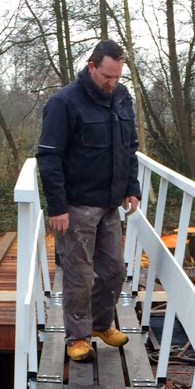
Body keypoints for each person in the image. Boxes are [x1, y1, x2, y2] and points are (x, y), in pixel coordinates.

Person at [36, 40, 141, 363]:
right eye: (107, 76)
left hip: (110, 202)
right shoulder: (64, 103)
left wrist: (131, 187)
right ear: (91, 66)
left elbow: (129, 148)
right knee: (79, 274)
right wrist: (57, 208)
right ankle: (78, 337)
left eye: (117, 77)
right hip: (77, 204)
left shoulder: (122, 99)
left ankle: (100, 325)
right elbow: (49, 158)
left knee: (113, 270)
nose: (112, 83)